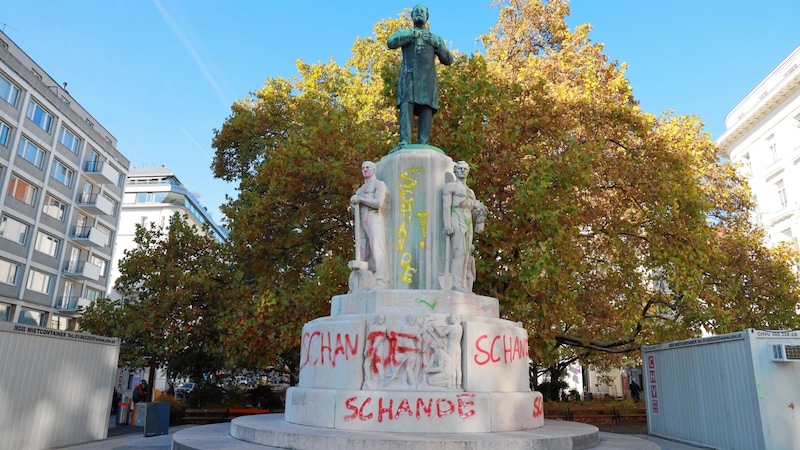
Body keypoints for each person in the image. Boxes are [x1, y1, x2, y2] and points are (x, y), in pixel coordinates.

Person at [387, 4, 454, 145]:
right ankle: (404, 141)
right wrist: (411, 35)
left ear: (427, 16)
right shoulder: (405, 33)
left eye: (421, 11)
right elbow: (391, 42)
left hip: (427, 80)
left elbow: (448, 60)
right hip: (408, 77)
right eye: (416, 11)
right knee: (406, 107)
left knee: (426, 108)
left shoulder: (434, 38)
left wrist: (437, 45)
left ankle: (423, 143)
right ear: (411, 16)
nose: (419, 13)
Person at [442, 161, 486, 292]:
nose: (462, 171)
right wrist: (447, 224)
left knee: (467, 253)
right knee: (459, 252)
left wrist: (480, 220)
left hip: (468, 221)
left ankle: (463, 283)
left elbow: (476, 209)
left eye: (465, 169)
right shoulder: (450, 187)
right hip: (457, 218)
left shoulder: (470, 191)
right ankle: (456, 282)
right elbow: (446, 206)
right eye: (460, 168)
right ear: (455, 171)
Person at [351, 161, 389, 289]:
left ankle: (381, 280)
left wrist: (360, 199)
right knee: (362, 252)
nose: (365, 169)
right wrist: (353, 203)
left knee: (377, 249)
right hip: (361, 220)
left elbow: (378, 203)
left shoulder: (379, 184)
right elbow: (354, 210)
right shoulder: (360, 190)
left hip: (374, 218)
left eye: (367, 167)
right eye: (363, 168)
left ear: (374, 170)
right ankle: (364, 282)